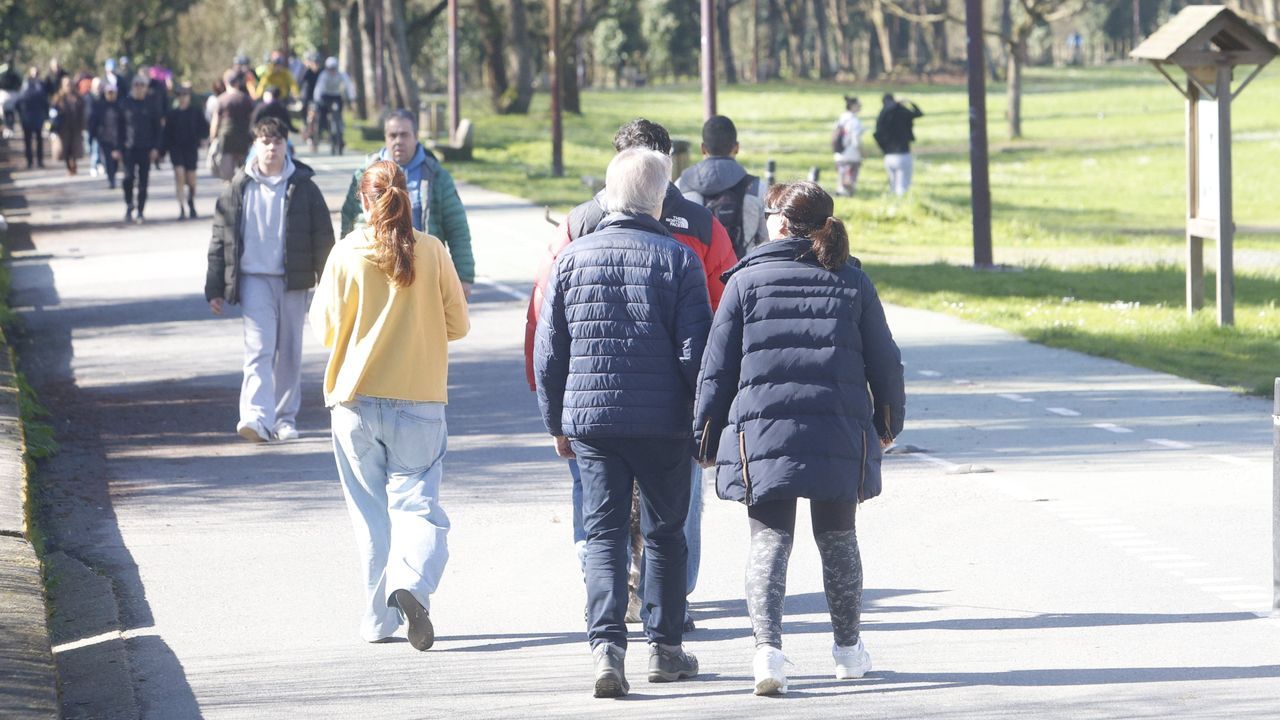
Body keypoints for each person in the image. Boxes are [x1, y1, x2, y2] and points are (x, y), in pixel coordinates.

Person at [692, 181, 905, 696]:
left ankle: (768, 654)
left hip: (764, 431)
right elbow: (885, 360)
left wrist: (704, 436)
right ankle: (849, 652)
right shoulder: (853, 280)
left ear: (781, 223)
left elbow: (716, 369)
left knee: (768, 541)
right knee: (838, 538)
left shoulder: (747, 281)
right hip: (838, 425)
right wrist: (887, 426)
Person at [524, 118, 736, 632]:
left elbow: (544, 325)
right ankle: (669, 618)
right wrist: (709, 408)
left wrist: (553, 414)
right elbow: (720, 318)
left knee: (600, 523)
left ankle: (606, 626)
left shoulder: (576, 229)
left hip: (590, 404)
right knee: (672, 518)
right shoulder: (698, 233)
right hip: (666, 410)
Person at [535, 148, 709, 698]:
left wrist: (556, 421)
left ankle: (607, 649)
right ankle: (665, 647)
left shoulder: (571, 259)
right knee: (665, 534)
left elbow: (550, 352)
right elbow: (695, 354)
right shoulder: (679, 260)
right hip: (663, 424)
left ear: (610, 196)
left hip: (593, 422)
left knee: (604, 533)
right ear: (659, 198)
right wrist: (702, 421)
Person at [309, 159, 469, 650]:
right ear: (409, 198)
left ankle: (379, 618)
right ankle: (412, 585)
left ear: (362, 200)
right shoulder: (433, 250)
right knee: (418, 505)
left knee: (371, 515)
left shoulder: (345, 253)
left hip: (355, 401)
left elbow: (324, 330)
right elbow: (458, 325)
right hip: (419, 397)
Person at [206, 116, 334, 443]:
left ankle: (284, 418)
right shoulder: (239, 186)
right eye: (265, 142)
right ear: (254, 145)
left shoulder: (303, 186)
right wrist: (214, 287)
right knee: (259, 349)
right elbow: (221, 237)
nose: (271, 148)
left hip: (293, 281)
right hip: (253, 280)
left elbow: (323, 238)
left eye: (277, 142)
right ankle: (255, 417)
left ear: (286, 146)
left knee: (289, 350)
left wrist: (329, 283)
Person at [340, 109, 473, 297]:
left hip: (422, 274)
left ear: (416, 136)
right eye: (392, 135)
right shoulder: (365, 174)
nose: (398, 141)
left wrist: (464, 276)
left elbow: (457, 228)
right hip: (373, 274)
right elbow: (348, 221)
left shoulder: (436, 176)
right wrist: (344, 265)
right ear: (385, 137)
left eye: (404, 135)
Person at [675, 115, 768, 258]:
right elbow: (766, 240)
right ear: (736, 148)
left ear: (703, 148)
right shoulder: (756, 188)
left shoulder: (681, 186)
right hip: (742, 272)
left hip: (697, 273)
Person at [115, 75, 162, 223]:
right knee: (128, 179)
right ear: (132, 86)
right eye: (136, 84)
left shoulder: (151, 105)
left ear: (146, 87)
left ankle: (141, 210)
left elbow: (158, 129)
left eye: (142, 85)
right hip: (129, 148)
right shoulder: (125, 104)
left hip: (146, 149)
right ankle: (129, 205)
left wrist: (156, 148)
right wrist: (118, 148)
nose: (139, 87)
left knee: (143, 182)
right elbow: (119, 129)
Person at [162, 84, 209, 220]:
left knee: (191, 180)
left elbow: (204, 128)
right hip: (176, 149)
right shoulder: (172, 114)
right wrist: (162, 151)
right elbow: (166, 134)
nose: (182, 98)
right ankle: (181, 207)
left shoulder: (195, 112)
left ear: (189, 97)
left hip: (191, 148)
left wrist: (203, 139)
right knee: (180, 176)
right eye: (180, 96)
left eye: (185, 95)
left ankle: (191, 201)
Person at [873, 93, 924, 196]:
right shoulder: (903, 112)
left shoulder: (883, 117)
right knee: (902, 186)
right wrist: (909, 102)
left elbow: (877, 134)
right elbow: (919, 113)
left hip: (889, 155)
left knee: (893, 184)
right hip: (903, 154)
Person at [210, 71, 254, 181]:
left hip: (226, 136)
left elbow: (216, 121)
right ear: (237, 83)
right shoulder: (246, 99)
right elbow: (252, 119)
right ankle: (241, 185)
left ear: (226, 83)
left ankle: (231, 185)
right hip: (243, 135)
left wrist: (212, 136)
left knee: (227, 168)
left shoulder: (221, 99)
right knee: (243, 166)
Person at [310, 57, 355, 151]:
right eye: (330, 69)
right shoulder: (324, 75)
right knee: (322, 115)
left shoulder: (341, 74)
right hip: (325, 96)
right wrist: (317, 100)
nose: (332, 71)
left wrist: (352, 98)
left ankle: (340, 135)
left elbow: (348, 85)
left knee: (338, 117)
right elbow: (319, 88)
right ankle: (321, 131)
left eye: (334, 68)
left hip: (336, 97)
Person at [89, 83, 122, 188]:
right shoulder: (99, 106)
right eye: (109, 93)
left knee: (115, 161)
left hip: (117, 139)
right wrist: (92, 135)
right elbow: (93, 122)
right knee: (107, 160)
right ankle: (111, 179)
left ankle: (113, 174)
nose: (111, 95)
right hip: (104, 138)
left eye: (113, 93)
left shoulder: (120, 106)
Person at [50, 76, 84, 176]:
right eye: (66, 85)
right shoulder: (58, 98)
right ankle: (69, 168)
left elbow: (82, 112)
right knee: (65, 150)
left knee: (74, 148)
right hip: (63, 129)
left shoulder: (78, 97)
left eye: (70, 84)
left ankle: (74, 166)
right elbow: (53, 113)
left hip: (75, 127)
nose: (68, 86)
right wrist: (53, 129)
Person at [15, 68, 48, 169]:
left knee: (32, 141)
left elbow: (18, 104)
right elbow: (45, 103)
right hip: (32, 118)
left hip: (31, 118)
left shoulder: (34, 87)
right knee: (34, 141)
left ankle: (34, 161)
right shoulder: (38, 88)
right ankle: (36, 161)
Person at [832, 95, 865, 197]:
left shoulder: (841, 118)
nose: (861, 106)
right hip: (851, 154)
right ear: (853, 106)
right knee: (850, 178)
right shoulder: (854, 121)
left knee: (842, 175)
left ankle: (840, 191)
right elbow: (856, 141)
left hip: (839, 153)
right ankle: (846, 194)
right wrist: (862, 152)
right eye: (859, 105)